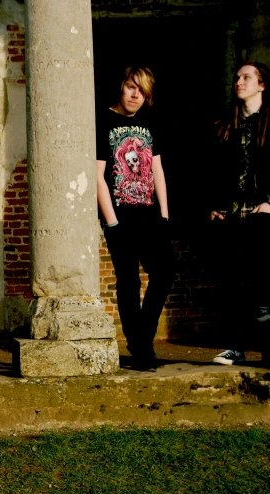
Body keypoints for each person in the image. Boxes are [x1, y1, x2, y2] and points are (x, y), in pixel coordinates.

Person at [96, 65, 173, 372]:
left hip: (150, 213)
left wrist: (164, 214)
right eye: (131, 87)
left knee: (164, 273)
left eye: (141, 90)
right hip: (120, 215)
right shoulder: (103, 120)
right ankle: (140, 348)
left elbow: (157, 169)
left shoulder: (150, 122)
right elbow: (98, 175)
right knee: (128, 282)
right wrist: (111, 222)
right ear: (122, 87)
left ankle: (144, 336)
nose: (135, 94)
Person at [208, 62, 270, 365]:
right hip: (230, 216)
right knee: (230, 284)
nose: (239, 82)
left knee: (264, 284)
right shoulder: (226, 124)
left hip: (263, 215)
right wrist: (212, 206)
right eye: (237, 77)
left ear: (262, 84)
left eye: (246, 78)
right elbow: (212, 170)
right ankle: (235, 348)